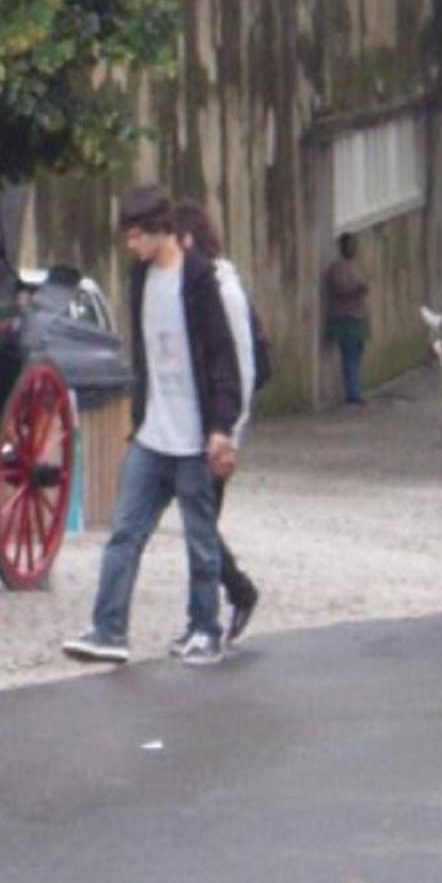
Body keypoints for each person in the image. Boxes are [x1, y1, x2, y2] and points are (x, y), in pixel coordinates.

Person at [62, 185, 242, 668]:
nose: (130, 246)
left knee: (200, 540)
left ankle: (205, 629)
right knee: (125, 533)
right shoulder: (139, 277)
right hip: (152, 434)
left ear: (161, 231)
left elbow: (223, 356)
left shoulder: (199, 278)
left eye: (136, 236)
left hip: (194, 436)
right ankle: (108, 630)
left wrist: (222, 426)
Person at [172, 201, 259, 650]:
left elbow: (240, 364)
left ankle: (222, 605)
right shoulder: (204, 287)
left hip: (218, 430)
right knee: (198, 524)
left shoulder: (223, 292)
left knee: (199, 527)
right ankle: (218, 606)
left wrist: (228, 430)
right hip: (198, 428)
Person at [323, 232, 370, 406]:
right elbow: (340, 288)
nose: (354, 248)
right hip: (346, 318)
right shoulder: (338, 267)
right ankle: (353, 393)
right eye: (351, 245)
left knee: (356, 355)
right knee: (350, 356)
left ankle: (355, 390)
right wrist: (358, 289)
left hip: (357, 317)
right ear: (343, 247)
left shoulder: (352, 266)